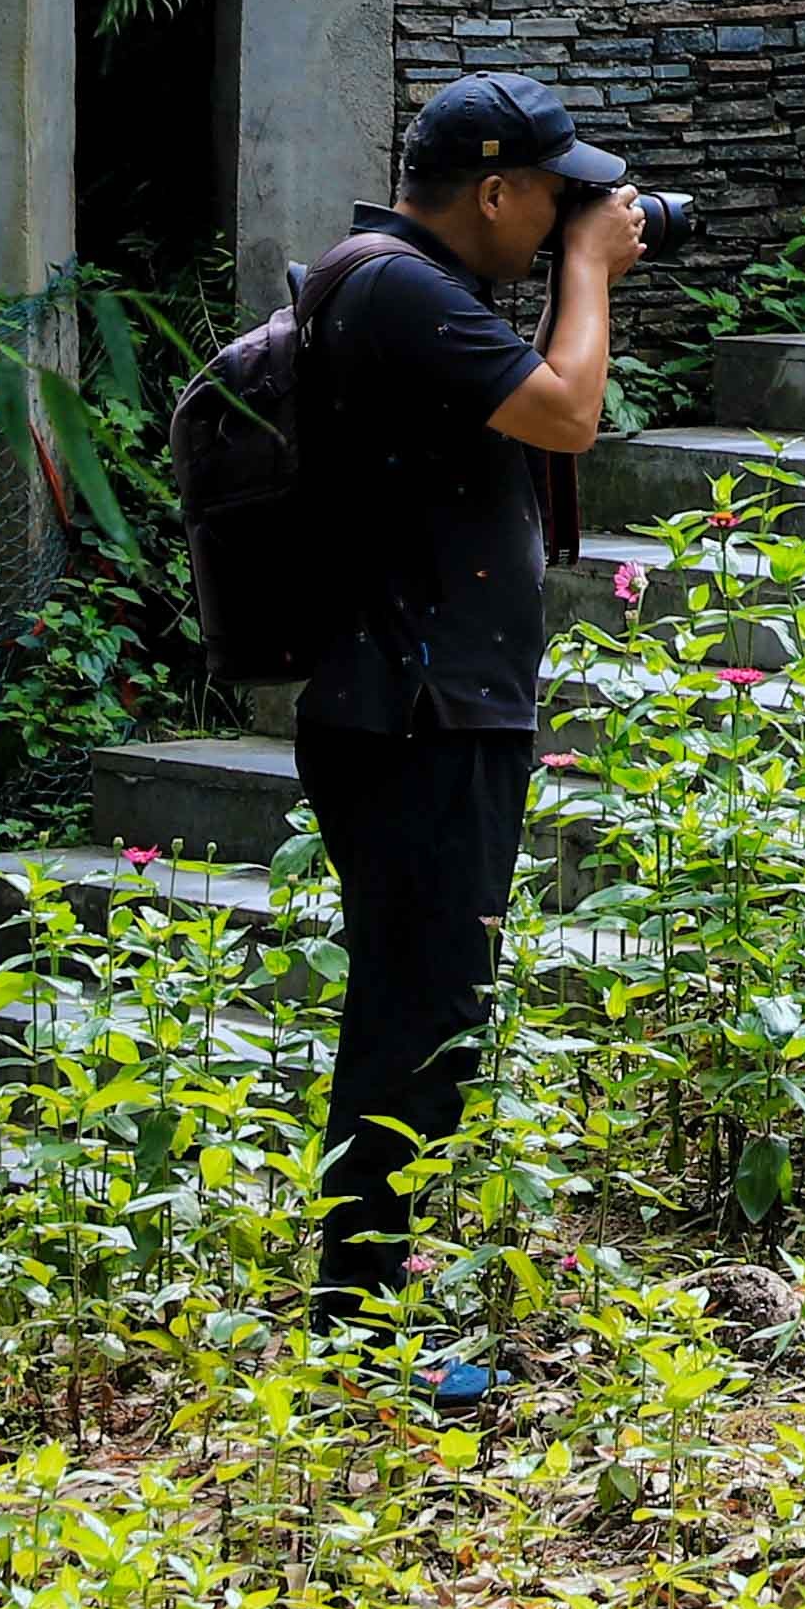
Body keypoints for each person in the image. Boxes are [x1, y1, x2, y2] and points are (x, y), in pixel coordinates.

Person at [287, 69, 647, 1392]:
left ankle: (360, 1317)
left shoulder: (398, 285)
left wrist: (577, 263)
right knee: (418, 1021)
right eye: (555, 196)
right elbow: (569, 410)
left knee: (422, 1009)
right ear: (496, 192)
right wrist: (592, 273)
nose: (569, 216)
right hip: (421, 717)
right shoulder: (397, 290)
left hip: (417, 709)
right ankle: (357, 1336)